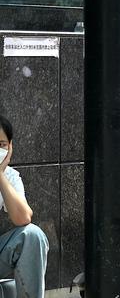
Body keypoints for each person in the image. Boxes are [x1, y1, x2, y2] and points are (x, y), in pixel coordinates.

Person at [0, 115, 49, 297]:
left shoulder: (10, 176)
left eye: (1, 144)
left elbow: (23, 218)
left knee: (33, 234)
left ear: (10, 146)